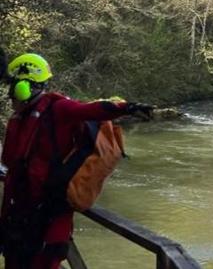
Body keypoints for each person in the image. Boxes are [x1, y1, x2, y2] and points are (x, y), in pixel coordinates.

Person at [0, 53, 153, 269]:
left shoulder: (58, 108)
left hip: (49, 212)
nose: (10, 95)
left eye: (14, 88)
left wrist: (127, 107)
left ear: (26, 87)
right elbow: (11, 163)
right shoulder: (20, 118)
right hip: (19, 212)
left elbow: (91, 110)